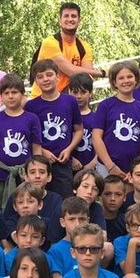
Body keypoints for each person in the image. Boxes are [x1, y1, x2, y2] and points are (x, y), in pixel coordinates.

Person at [26, 59, 83, 197]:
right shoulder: (31, 106)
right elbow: (28, 136)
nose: (45, 79)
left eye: (49, 75)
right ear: (36, 81)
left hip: (63, 162)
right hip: (39, 164)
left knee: (64, 200)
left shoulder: (70, 101)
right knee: (38, 198)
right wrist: (43, 151)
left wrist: (69, 149)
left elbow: (79, 130)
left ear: (57, 76)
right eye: (40, 77)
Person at [0, 74, 43, 199]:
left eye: (14, 92)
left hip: (24, 176)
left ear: (22, 94)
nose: (10, 96)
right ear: (1, 96)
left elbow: (36, 148)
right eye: (6, 93)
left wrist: (35, 171)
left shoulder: (32, 119)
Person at [29, 2, 104, 96]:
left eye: (73, 16)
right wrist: (103, 73)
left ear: (79, 20)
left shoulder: (84, 47)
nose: (70, 19)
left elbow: (86, 76)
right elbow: (71, 71)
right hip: (42, 98)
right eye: (66, 16)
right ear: (60, 20)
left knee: (84, 86)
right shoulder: (50, 43)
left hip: (68, 96)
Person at [92, 61, 140, 179]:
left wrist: (137, 167)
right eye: (121, 78)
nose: (126, 81)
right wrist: (110, 166)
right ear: (115, 82)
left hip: (133, 171)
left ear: (136, 79)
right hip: (106, 167)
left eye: (129, 77)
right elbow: (96, 137)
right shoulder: (105, 105)